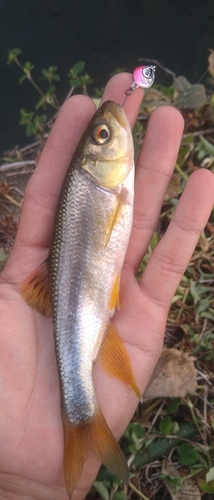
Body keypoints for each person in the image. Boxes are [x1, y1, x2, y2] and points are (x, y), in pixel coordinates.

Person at [0, 73, 213, 500]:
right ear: (92, 160)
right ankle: (80, 420)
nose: (109, 130)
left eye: (101, 134)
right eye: (103, 135)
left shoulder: (105, 182)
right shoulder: (103, 185)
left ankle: (80, 429)